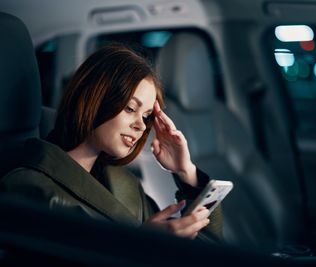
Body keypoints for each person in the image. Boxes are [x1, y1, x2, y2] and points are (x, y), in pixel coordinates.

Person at [0, 43, 222, 242]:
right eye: (130, 109)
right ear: (94, 100)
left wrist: (186, 172)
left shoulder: (126, 185)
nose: (142, 126)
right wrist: (141, 246)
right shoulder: (27, 188)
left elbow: (204, 254)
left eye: (146, 117)